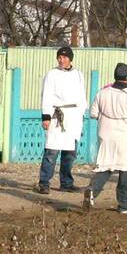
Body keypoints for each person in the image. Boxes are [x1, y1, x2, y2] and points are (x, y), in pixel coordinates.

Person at [85, 62, 127, 214]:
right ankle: (125, 205)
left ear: (114, 76)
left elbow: (93, 114)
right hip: (122, 136)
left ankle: (92, 190)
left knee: (105, 166)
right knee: (125, 170)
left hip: (104, 134)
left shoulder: (101, 93)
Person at [36, 45, 85, 193]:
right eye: (59, 57)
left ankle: (66, 182)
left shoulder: (78, 74)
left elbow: (82, 95)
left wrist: (81, 112)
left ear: (70, 59)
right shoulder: (52, 74)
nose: (61, 59)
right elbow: (47, 95)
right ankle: (44, 182)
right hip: (57, 115)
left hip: (73, 116)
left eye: (64, 57)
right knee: (52, 151)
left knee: (69, 152)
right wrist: (46, 116)